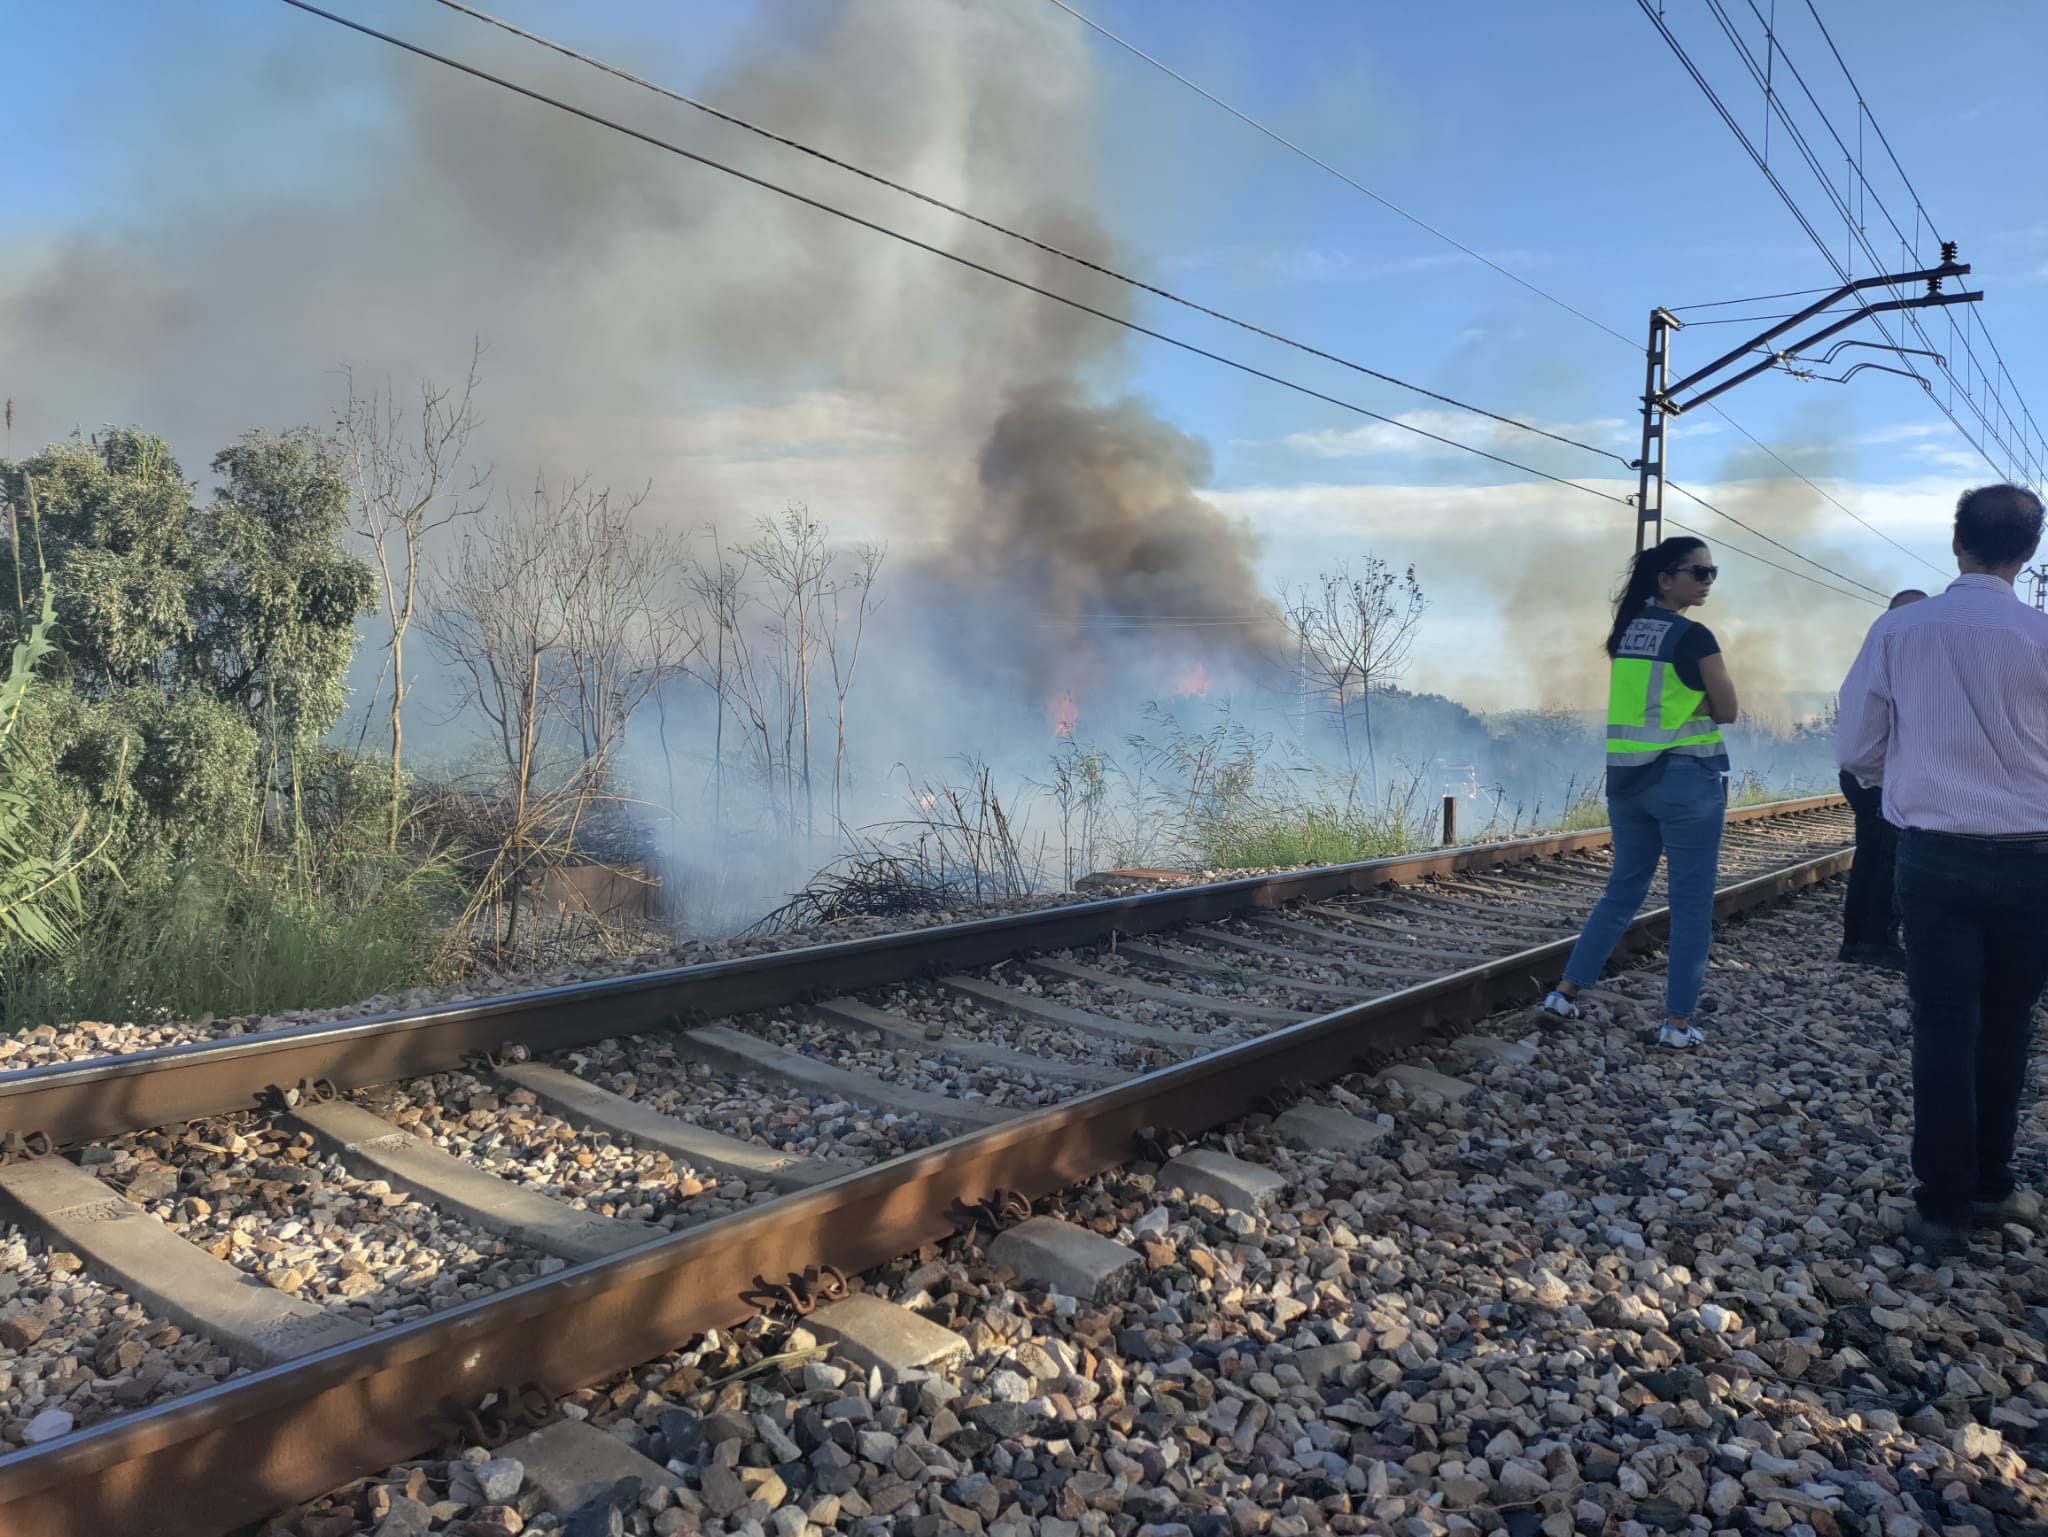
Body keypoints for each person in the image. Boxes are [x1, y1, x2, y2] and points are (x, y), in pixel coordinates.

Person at [1836, 483, 2048, 1257]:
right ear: (2028, 554)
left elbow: (1857, 747)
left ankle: (1941, 1209)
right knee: (2009, 1024)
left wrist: (1919, 770)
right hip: (2035, 860)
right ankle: (1993, 1185)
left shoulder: (1901, 629)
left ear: (1955, 540)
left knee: (1943, 1025)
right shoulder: (2044, 635)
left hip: (1935, 857)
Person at [1541, 536, 1739, 1048]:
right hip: (1685, 781)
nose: (1708, 581)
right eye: (1700, 573)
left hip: (1628, 783)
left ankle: (1563, 994)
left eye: (1712, 572)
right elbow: (1728, 709)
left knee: (1621, 893)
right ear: (1666, 579)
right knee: (1692, 904)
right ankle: (1676, 1024)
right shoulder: (1694, 636)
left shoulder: (1627, 632)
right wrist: (1695, 710)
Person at [1836, 588, 1926, 969]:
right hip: (1878, 776)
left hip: (1862, 775)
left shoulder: (1874, 649)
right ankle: (1875, 944)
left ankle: (1855, 943)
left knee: (1871, 859)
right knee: (1886, 861)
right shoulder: (1897, 651)